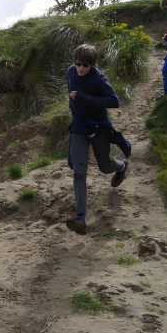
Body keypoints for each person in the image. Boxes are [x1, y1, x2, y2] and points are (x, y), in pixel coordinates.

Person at [65, 43, 130, 235]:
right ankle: (81, 219)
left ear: (92, 65)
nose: (81, 68)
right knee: (79, 172)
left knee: (104, 166)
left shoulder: (99, 80)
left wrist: (85, 98)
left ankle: (122, 167)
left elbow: (114, 101)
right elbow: (72, 95)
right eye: (78, 64)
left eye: (86, 65)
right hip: (79, 127)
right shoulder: (71, 72)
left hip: (98, 128)